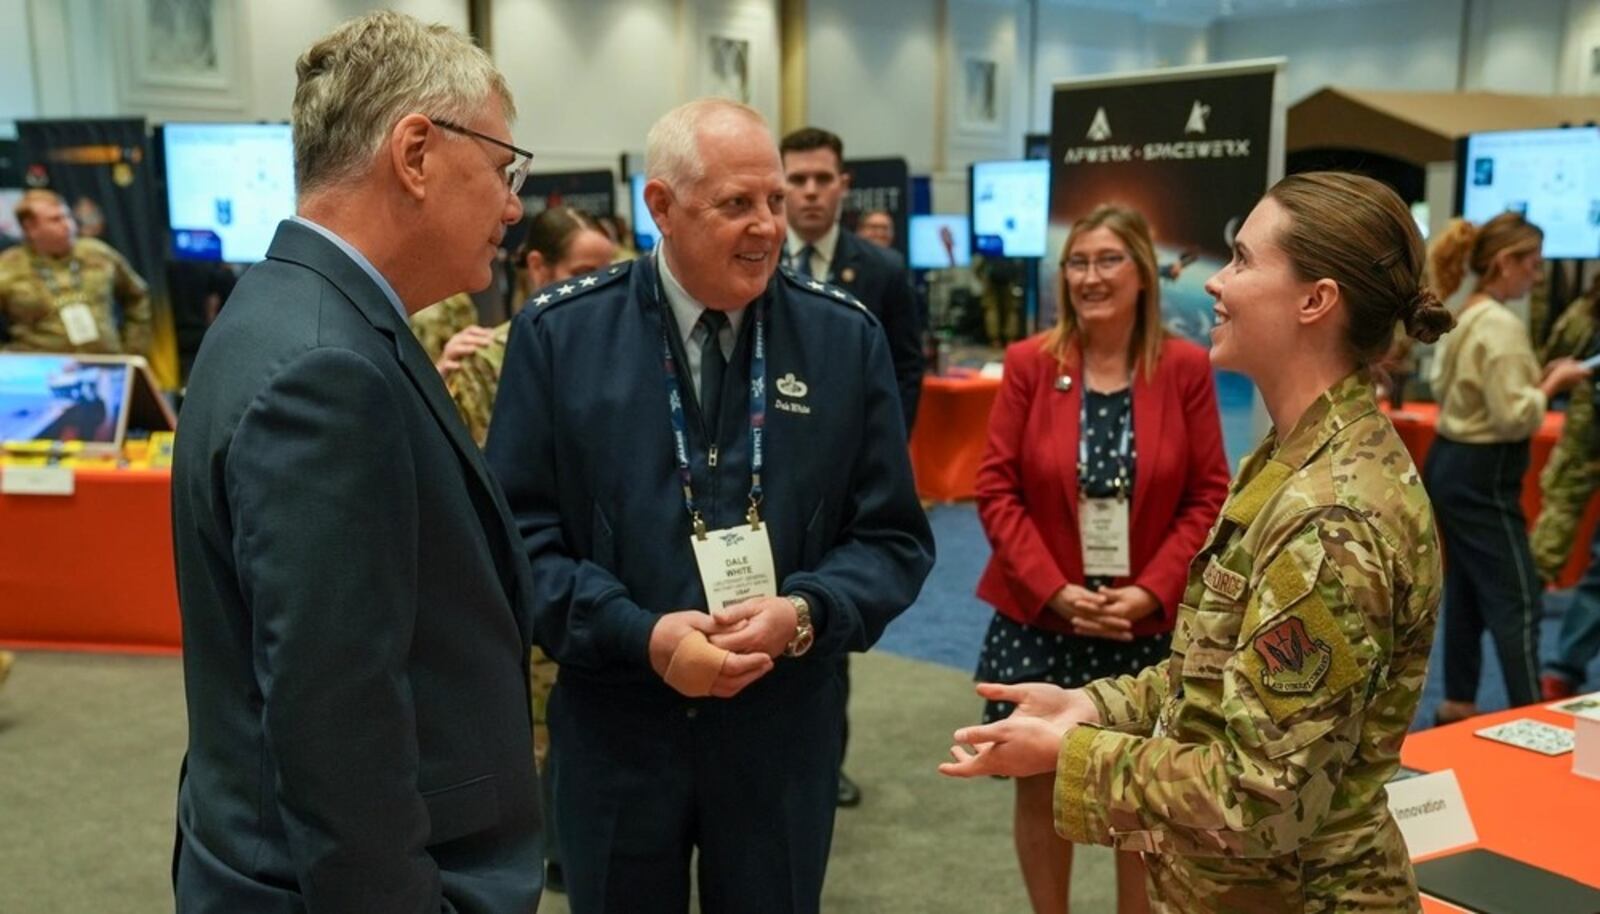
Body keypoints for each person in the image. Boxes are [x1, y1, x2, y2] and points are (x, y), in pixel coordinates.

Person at [941, 171, 1455, 913]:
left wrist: (1072, 753)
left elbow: (1258, 793)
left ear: (1316, 300)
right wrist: (1091, 706)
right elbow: (1214, 675)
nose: (1215, 283)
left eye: (1244, 261)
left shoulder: (1330, 516)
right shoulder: (1292, 459)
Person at [486, 98, 934, 914]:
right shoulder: (559, 339)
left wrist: (804, 613)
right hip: (618, 727)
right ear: (660, 206)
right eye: (738, 204)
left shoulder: (843, 341)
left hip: (783, 728)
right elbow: (517, 543)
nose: (768, 225)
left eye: (772, 200)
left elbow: (892, 539)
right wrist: (641, 634)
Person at [169, 12, 544, 912]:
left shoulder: (282, 310)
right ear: (416, 153)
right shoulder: (326, 365)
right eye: (503, 167)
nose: (512, 204)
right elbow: (334, 724)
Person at [972, 204, 1231, 914]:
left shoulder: (1183, 369)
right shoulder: (1031, 364)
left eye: (1108, 260)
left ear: (1144, 272)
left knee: (1140, 794)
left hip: (1142, 628)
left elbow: (1210, 494)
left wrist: (1151, 592)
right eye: (1078, 262)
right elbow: (995, 487)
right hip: (1042, 616)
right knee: (1041, 781)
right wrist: (1055, 589)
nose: (1091, 276)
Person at [780, 125, 926, 809]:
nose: (810, 191)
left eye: (822, 179)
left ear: (843, 185)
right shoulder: (757, 258)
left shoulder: (883, 270)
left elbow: (905, 367)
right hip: (772, 471)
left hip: (849, 478)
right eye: (798, 179)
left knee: (827, 611)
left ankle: (821, 760)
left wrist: (881, 454)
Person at [1424, 212, 1590, 721]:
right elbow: (1514, 416)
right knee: (1519, 599)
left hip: (1448, 464)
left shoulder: (1466, 312)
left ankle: (1457, 703)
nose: (1537, 278)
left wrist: (1530, 386)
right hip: (1485, 476)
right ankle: (1529, 718)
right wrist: (1554, 385)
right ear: (1505, 263)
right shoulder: (1500, 325)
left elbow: (1444, 387)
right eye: (1533, 266)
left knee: (1470, 590)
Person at [448, 206, 615, 446]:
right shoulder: (486, 361)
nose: (601, 287)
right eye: (583, 274)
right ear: (538, 267)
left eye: (609, 273)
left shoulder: (621, 348)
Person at [0, 189, 151, 356]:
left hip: (106, 365)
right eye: (55, 220)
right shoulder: (8, 267)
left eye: (68, 216)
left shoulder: (98, 254)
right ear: (30, 228)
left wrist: (133, 350)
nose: (68, 225)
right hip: (41, 371)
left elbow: (137, 296)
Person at [1530, 274, 1600, 584]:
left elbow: (1554, 351)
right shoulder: (1587, 311)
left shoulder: (1586, 310)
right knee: (1561, 507)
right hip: (1587, 424)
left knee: (1561, 506)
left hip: (1586, 421)